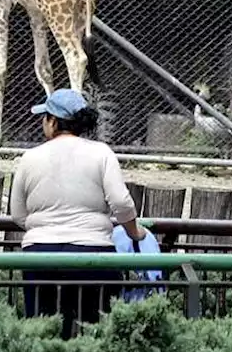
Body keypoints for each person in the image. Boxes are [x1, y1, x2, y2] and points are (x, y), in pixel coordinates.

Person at [10, 88, 146, 339]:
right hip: (93, 253)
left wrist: (46, 228)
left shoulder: (30, 158)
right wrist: (134, 233)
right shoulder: (101, 153)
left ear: (52, 121)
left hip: (40, 255)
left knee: (42, 330)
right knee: (94, 329)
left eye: (45, 117)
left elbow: (18, 213)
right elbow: (122, 203)